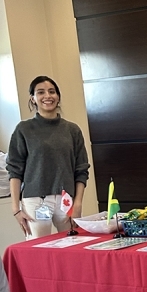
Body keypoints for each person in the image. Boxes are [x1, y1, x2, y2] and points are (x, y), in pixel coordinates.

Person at [7, 75, 90, 239]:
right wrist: (16, 208)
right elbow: (15, 170)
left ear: (58, 96)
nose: (47, 96)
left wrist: (78, 203)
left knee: (71, 244)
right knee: (38, 248)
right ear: (33, 98)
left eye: (52, 91)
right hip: (35, 200)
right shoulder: (23, 129)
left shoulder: (72, 130)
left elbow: (81, 170)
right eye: (41, 92)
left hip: (66, 200)